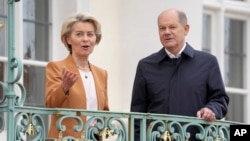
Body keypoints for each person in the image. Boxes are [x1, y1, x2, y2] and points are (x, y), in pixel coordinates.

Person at [130, 8, 229, 141]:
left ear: (186, 29)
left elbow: (220, 100)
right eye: (162, 28)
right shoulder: (145, 66)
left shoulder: (208, 62)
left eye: (172, 27)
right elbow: (137, 115)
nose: (166, 32)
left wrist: (211, 109)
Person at [45, 12, 109, 140]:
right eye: (79, 34)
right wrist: (64, 87)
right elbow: (50, 105)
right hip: (65, 138)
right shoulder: (56, 67)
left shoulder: (102, 73)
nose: (85, 39)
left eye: (90, 34)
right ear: (69, 39)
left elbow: (105, 111)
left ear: (95, 39)